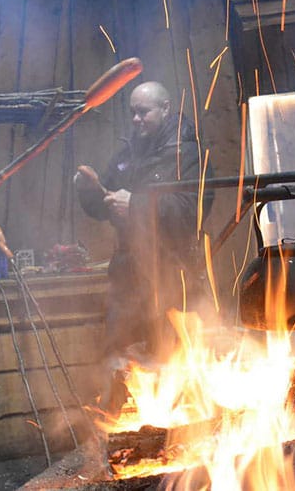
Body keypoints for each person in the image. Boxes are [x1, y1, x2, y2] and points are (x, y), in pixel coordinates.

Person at [75, 81, 214, 362]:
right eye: (133, 113)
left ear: (165, 109)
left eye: (143, 112)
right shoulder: (128, 155)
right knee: (120, 362)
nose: (136, 119)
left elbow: (191, 211)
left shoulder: (187, 153)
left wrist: (136, 205)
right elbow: (104, 206)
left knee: (170, 365)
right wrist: (88, 190)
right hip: (127, 278)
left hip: (173, 277)